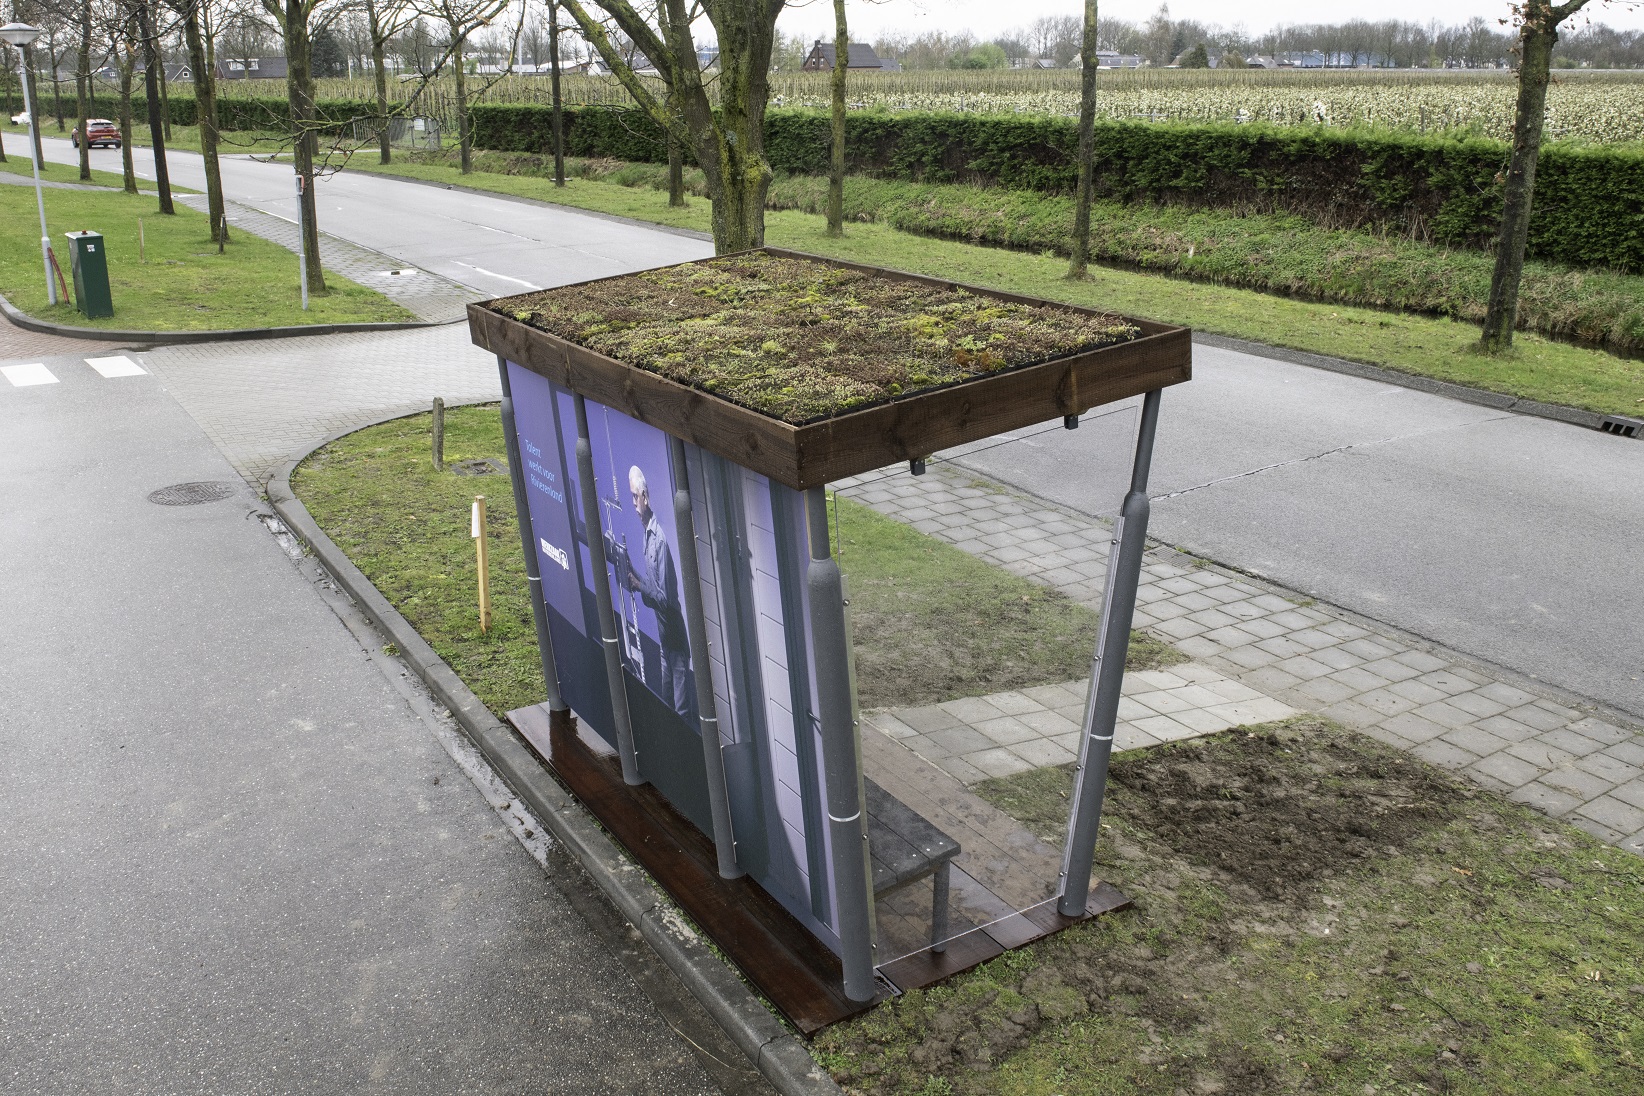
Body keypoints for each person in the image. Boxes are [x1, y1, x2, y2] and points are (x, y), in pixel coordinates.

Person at [624, 465, 695, 721]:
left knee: (681, 712)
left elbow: (664, 598)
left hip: (674, 640)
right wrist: (634, 575)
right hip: (666, 639)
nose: (633, 503)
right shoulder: (646, 534)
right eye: (631, 496)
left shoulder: (659, 540)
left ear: (644, 495)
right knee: (667, 705)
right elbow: (655, 587)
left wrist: (639, 585)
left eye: (635, 496)